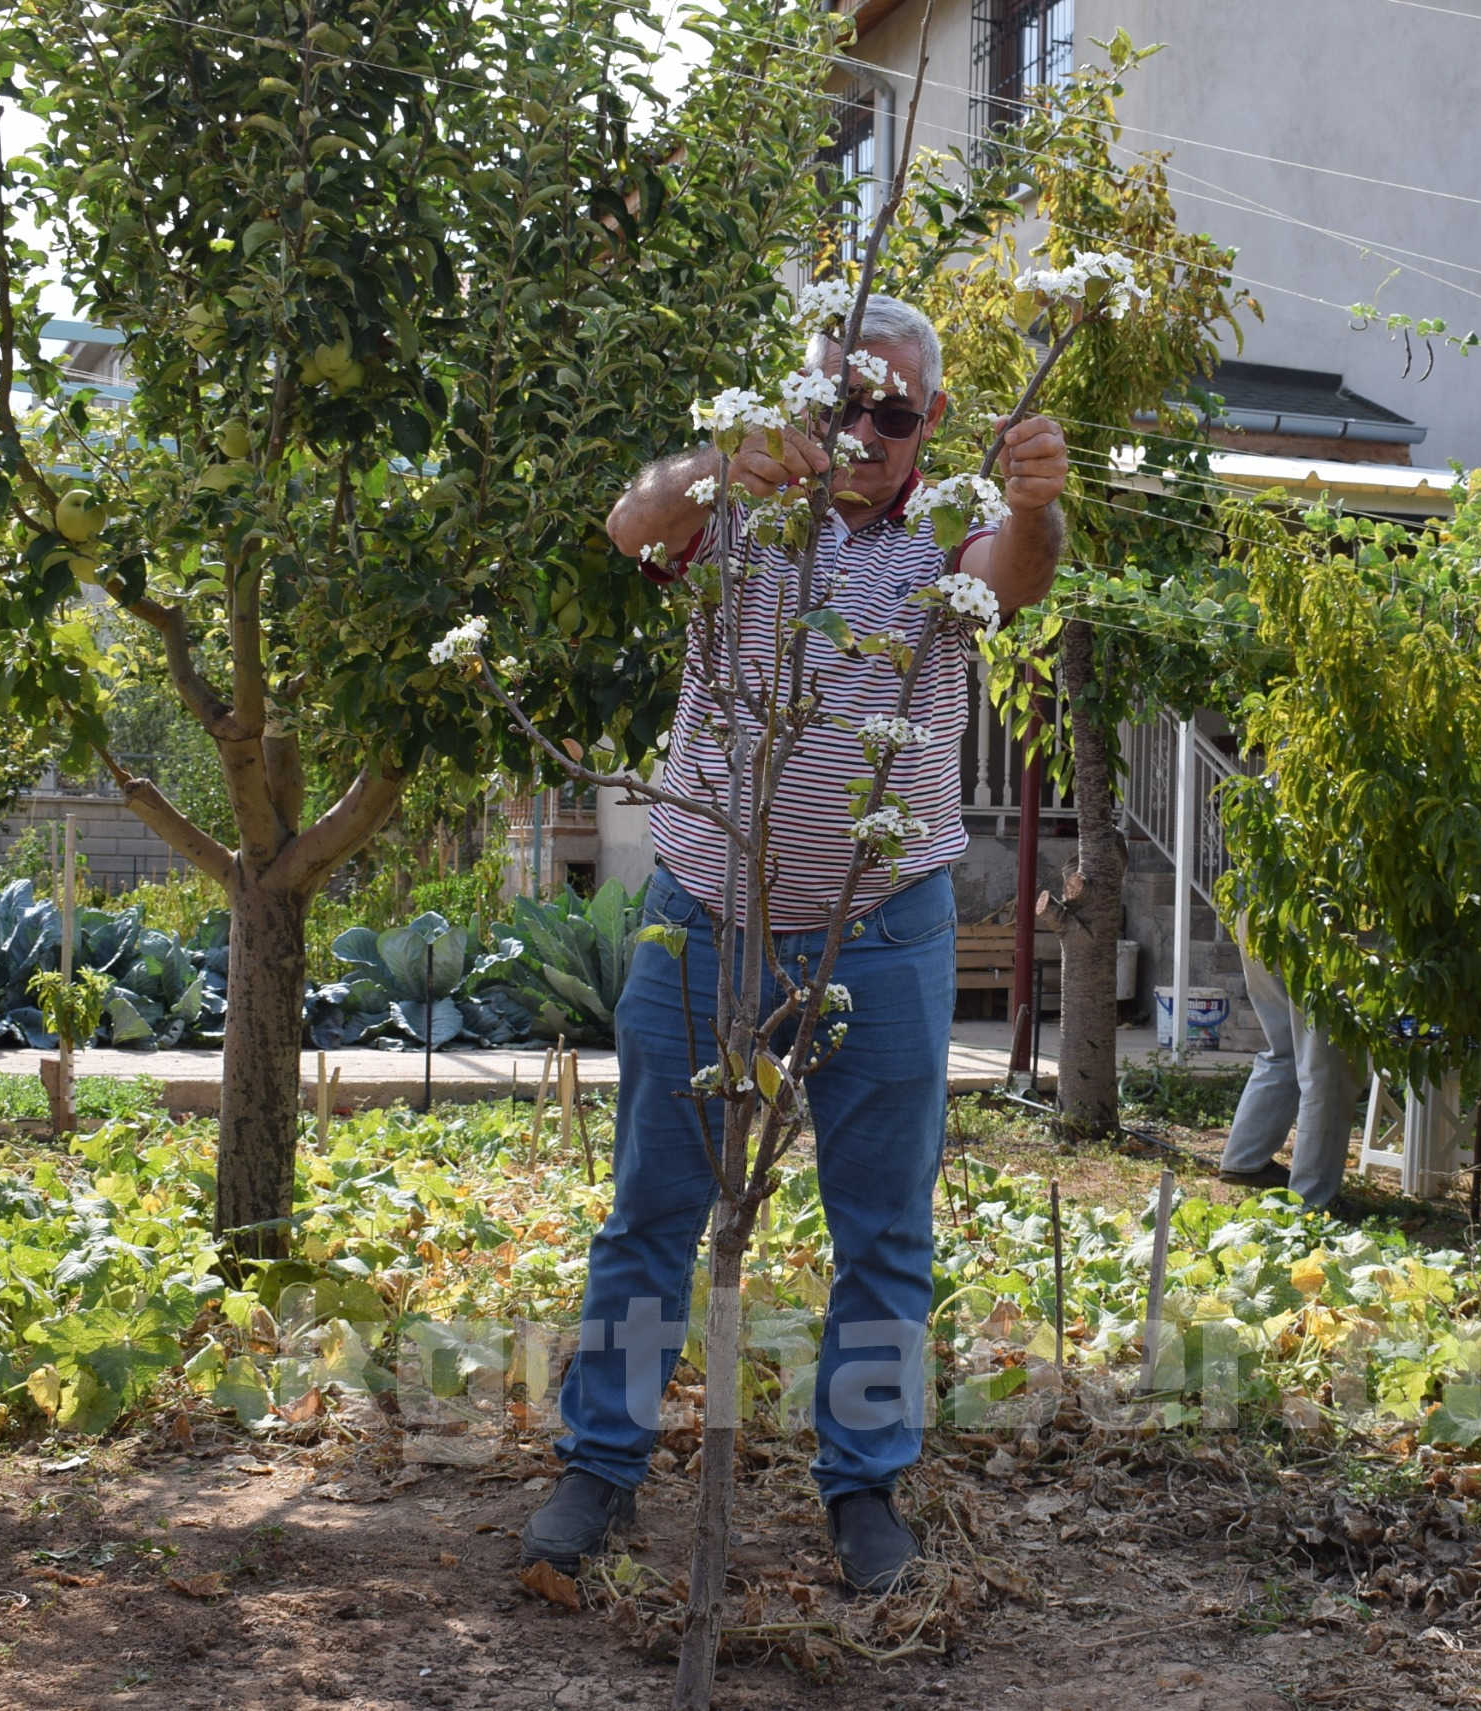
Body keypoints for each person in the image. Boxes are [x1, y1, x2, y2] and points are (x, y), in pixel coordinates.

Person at [517, 295, 1069, 1595]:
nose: (866, 436)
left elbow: (1015, 574)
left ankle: (863, 1484)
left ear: (931, 423)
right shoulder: (744, 510)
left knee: (883, 1226)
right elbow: (628, 520)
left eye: (894, 413)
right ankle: (601, 1464)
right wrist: (722, 458)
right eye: (844, 408)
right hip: (706, 911)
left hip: (884, 934)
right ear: (808, 405)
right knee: (653, 1207)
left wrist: (1040, 509)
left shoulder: (948, 533)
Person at [1216, 938, 1365, 1212]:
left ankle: (1246, 1158)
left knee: (1286, 1049)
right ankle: (1312, 1199)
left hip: (1257, 910)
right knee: (1329, 1068)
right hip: (1319, 918)